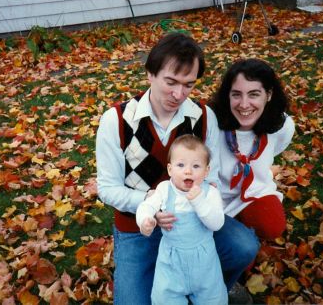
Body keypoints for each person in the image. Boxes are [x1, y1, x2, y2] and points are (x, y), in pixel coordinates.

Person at [96, 32, 258, 305]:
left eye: (188, 85)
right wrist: (151, 205)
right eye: (170, 82)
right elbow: (107, 189)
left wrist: (203, 205)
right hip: (139, 227)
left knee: (244, 247)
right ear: (150, 73)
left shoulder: (203, 118)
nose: (178, 94)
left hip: (195, 221)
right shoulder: (117, 120)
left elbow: (211, 176)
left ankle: (212, 285)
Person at [210, 58, 295, 242]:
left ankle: (245, 224)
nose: (244, 104)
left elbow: (274, 150)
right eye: (236, 94)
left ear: (269, 94)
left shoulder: (283, 126)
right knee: (238, 257)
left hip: (255, 190)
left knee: (272, 225)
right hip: (215, 196)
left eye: (254, 94)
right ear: (228, 96)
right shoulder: (211, 124)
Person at [136, 134, 227, 305]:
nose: (188, 171)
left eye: (196, 166)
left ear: (206, 171)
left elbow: (217, 223)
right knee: (164, 299)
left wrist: (198, 201)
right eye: (181, 165)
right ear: (170, 169)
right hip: (171, 262)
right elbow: (146, 206)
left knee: (213, 299)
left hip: (204, 263)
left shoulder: (210, 193)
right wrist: (145, 220)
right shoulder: (164, 189)